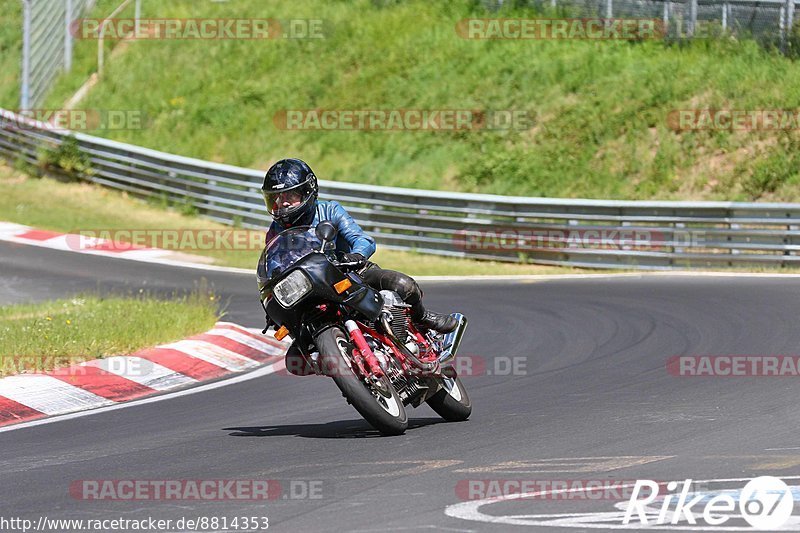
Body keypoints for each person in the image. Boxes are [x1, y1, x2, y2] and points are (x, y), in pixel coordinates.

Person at [257, 158, 458, 375]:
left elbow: (362, 239)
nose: (282, 203)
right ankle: (348, 369)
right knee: (295, 360)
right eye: (275, 198)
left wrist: (356, 255)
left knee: (403, 285)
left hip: (352, 271)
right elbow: (275, 267)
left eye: (289, 196)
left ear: (307, 191)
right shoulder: (274, 232)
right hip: (314, 288)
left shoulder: (329, 210)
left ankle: (423, 318)